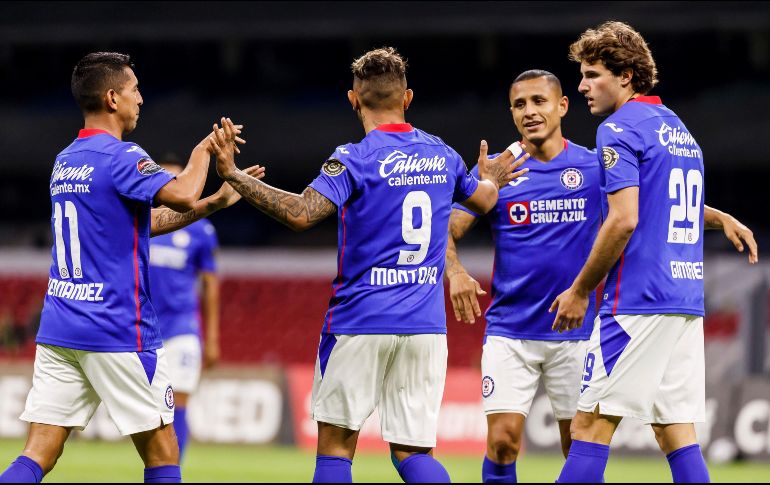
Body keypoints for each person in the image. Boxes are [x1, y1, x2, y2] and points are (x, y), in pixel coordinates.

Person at [207, 47, 526, 483]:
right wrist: (489, 177)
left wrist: (234, 175)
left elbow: (302, 214)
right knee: (414, 454)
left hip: (360, 319)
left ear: (353, 100)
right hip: (424, 327)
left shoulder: (353, 158)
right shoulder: (443, 154)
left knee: (336, 450)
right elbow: (484, 199)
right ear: (408, 98)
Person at [0, 52, 261, 484]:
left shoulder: (66, 161)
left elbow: (144, 223)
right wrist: (203, 152)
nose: (140, 99)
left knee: (39, 449)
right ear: (111, 98)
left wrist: (213, 203)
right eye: (134, 89)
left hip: (62, 326)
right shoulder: (121, 156)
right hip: (117, 327)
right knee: (163, 454)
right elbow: (179, 193)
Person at [549, 21, 758, 483]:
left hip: (637, 302)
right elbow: (664, 198)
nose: (582, 86)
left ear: (626, 76)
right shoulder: (679, 130)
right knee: (675, 432)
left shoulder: (618, 128)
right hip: (683, 300)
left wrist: (581, 290)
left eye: (592, 74)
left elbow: (624, 218)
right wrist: (718, 216)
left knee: (589, 425)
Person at [445, 69, 601, 483]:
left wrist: (718, 218)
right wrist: (455, 270)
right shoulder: (500, 173)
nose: (529, 111)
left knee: (578, 450)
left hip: (577, 333)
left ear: (562, 106)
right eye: (519, 104)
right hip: (511, 332)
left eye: (538, 101)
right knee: (502, 442)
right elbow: (445, 229)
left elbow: (642, 211)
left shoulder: (592, 167)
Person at [148, 155, 221, 462]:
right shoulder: (142, 222)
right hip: (142, 327)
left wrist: (213, 338)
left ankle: (172, 470)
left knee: (178, 401)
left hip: (181, 327)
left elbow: (210, 284)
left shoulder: (200, 230)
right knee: (148, 409)